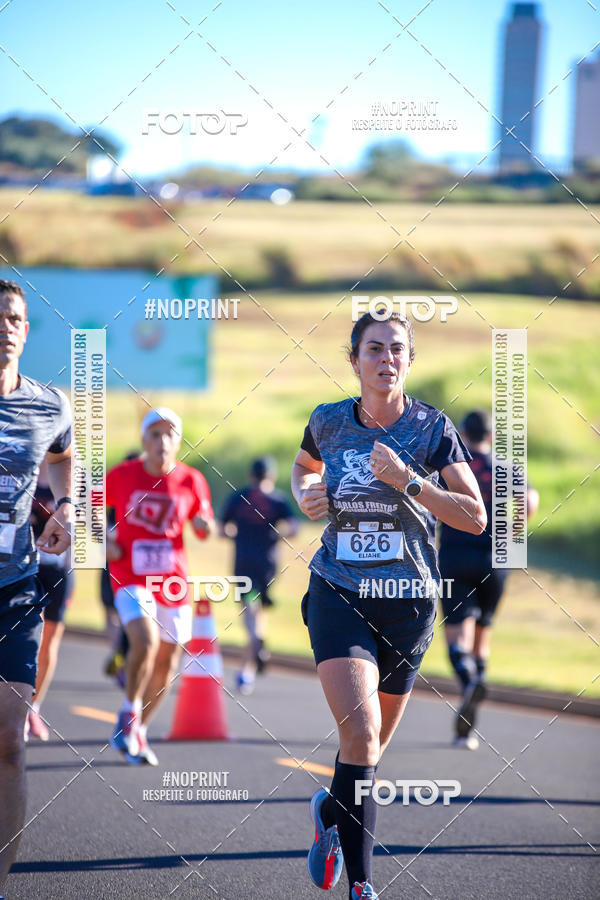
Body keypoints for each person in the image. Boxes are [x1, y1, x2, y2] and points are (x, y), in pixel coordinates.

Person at [291, 311, 487, 900]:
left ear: (410, 359)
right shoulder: (327, 421)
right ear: (354, 360)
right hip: (339, 591)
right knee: (361, 732)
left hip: (408, 603)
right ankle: (364, 887)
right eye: (374, 348)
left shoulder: (432, 428)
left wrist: (410, 482)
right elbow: (304, 469)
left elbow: (475, 517)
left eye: (397, 348)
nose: (387, 358)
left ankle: (330, 809)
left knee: (368, 751)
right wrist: (307, 494)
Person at [0, 279, 72, 895]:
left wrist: (67, 507)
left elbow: (66, 458)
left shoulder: (50, 405)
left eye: (13, 318)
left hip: (15, 588)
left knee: (9, 741)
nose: (4, 327)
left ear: (25, 331)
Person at [106, 407, 214, 766]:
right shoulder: (122, 475)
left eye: (169, 435)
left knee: (168, 661)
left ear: (178, 441)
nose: (162, 442)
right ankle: (129, 711)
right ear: (143, 440)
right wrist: (104, 542)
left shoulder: (191, 480)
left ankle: (139, 729)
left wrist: (204, 526)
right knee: (145, 641)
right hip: (130, 575)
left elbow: (205, 526)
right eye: (155, 434)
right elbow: (85, 510)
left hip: (172, 583)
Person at [438, 409, 539, 749]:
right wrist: (513, 533)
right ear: (491, 436)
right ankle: (467, 724)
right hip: (494, 560)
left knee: (456, 635)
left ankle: (468, 680)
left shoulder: (453, 467)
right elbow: (529, 501)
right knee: (483, 635)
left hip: (454, 556)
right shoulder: (506, 467)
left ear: (463, 435)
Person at [220, 457, 298, 694]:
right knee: (258, 608)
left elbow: (222, 528)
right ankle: (249, 667)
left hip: (244, 563)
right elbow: (293, 528)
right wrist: (277, 536)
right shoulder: (278, 500)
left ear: (251, 475)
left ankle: (256, 641)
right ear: (271, 476)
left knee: (250, 609)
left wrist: (236, 535)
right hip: (268, 566)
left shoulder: (239, 497)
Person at [26, 460, 75, 741]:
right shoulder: (23, 464)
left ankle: (33, 708)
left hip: (59, 569)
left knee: (49, 640)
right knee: (28, 635)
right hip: (24, 569)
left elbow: (94, 526)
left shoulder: (76, 477)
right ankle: (14, 704)